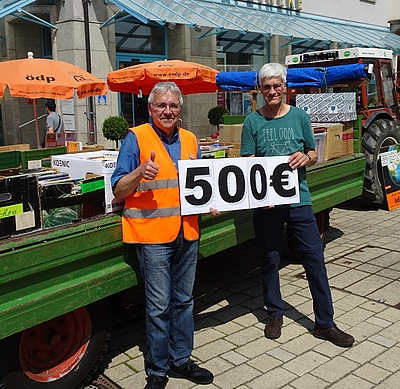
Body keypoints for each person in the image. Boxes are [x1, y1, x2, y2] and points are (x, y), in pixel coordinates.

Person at [240, 63, 355, 348]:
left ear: (285, 87)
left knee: (314, 259)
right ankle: (274, 313)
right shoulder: (252, 122)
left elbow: (314, 152)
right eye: (266, 87)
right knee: (269, 258)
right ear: (260, 90)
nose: (272, 91)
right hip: (266, 203)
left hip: (299, 200)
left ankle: (325, 323)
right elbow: (247, 164)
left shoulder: (300, 116)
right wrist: (259, 196)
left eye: (276, 85)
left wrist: (307, 158)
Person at [111, 82, 214, 389]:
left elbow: (199, 183)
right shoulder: (136, 137)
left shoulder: (191, 139)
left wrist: (212, 201)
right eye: (162, 106)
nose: (168, 111)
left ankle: (181, 359)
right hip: (152, 234)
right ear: (151, 108)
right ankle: (157, 369)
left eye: (173, 106)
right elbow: (118, 189)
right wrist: (139, 172)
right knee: (158, 306)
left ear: (180, 109)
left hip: (188, 230)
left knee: (184, 301)